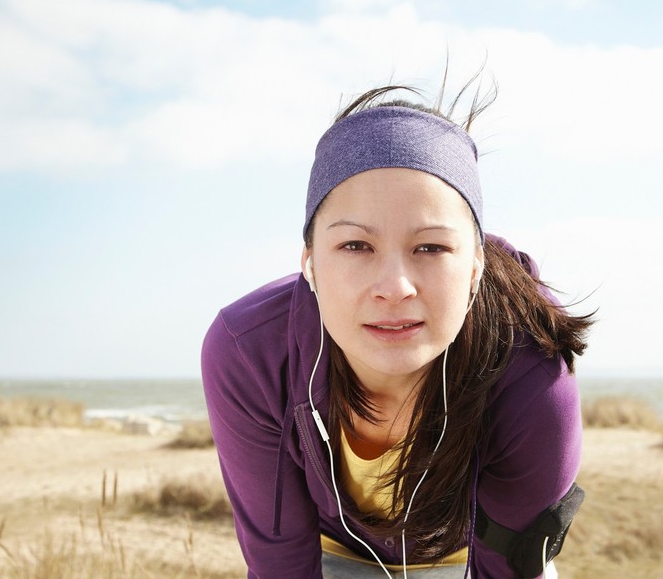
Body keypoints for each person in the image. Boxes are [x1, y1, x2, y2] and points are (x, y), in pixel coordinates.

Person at [202, 80, 593, 578]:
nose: (394, 287)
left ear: (474, 266)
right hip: (335, 558)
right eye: (355, 247)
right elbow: (280, 563)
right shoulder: (248, 352)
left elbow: (507, 567)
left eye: (430, 248)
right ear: (310, 264)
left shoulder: (530, 359)